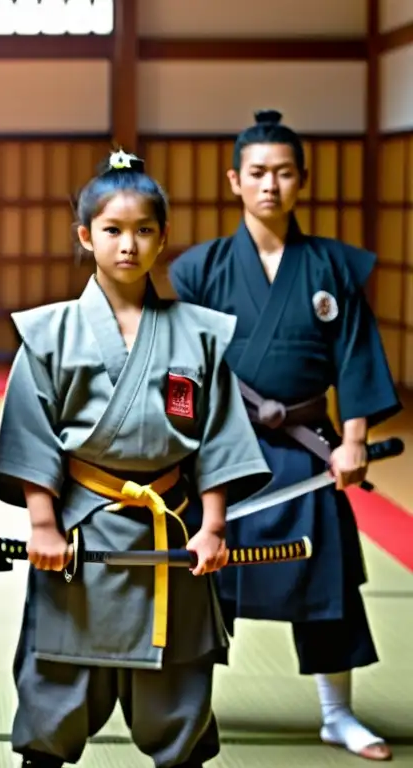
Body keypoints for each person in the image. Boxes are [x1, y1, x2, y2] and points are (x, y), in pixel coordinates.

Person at [0, 150, 273, 768]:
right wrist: (42, 524)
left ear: (163, 238)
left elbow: (219, 438)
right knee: (57, 682)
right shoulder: (49, 332)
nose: (128, 245)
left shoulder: (198, 333)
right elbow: (31, 433)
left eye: (144, 230)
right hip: (81, 532)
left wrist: (213, 526)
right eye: (112, 231)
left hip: (171, 530)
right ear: (85, 237)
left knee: (177, 687)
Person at [168, 110, 401, 762]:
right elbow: (184, 366)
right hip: (225, 455)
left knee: (328, 588)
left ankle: (337, 714)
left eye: (283, 173)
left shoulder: (331, 267)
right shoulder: (202, 269)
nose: (270, 185)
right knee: (205, 587)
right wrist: (182, 442)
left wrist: (352, 439)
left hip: (309, 451)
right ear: (235, 181)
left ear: (302, 180)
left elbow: (356, 357)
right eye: (258, 173)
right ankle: (191, 712)